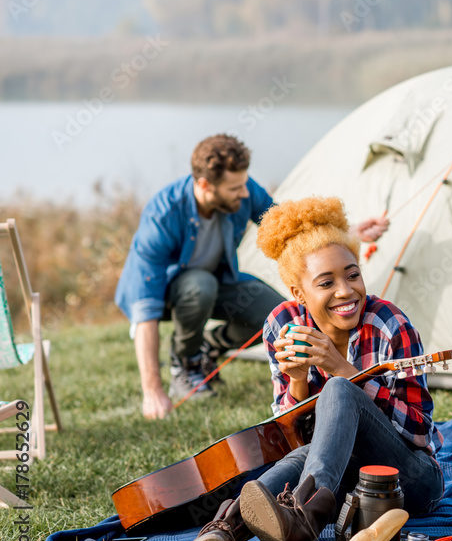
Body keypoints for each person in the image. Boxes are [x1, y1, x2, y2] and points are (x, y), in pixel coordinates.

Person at [183, 196, 443, 541]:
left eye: (352, 274)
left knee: (339, 389)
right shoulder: (283, 325)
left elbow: (419, 432)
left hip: (408, 480)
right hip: (346, 479)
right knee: (301, 454)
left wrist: (344, 372)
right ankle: (225, 535)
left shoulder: (390, 324)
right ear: (298, 293)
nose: (345, 291)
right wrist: (298, 381)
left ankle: (302, 515)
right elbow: (290, 440)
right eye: (326, 283)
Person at [114, 134, 389, 420]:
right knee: (199, 285)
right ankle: (185, 366)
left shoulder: (243, 189)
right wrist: (152, 391)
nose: (245, 194)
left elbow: (285, 225)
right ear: (205, 185)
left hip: (221, 282)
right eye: (235, 188)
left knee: (278, 317)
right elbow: (145, 310)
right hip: (170, 293)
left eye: (244, 184)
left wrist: (346, 233)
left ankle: (210, 346)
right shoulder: (163, 216)